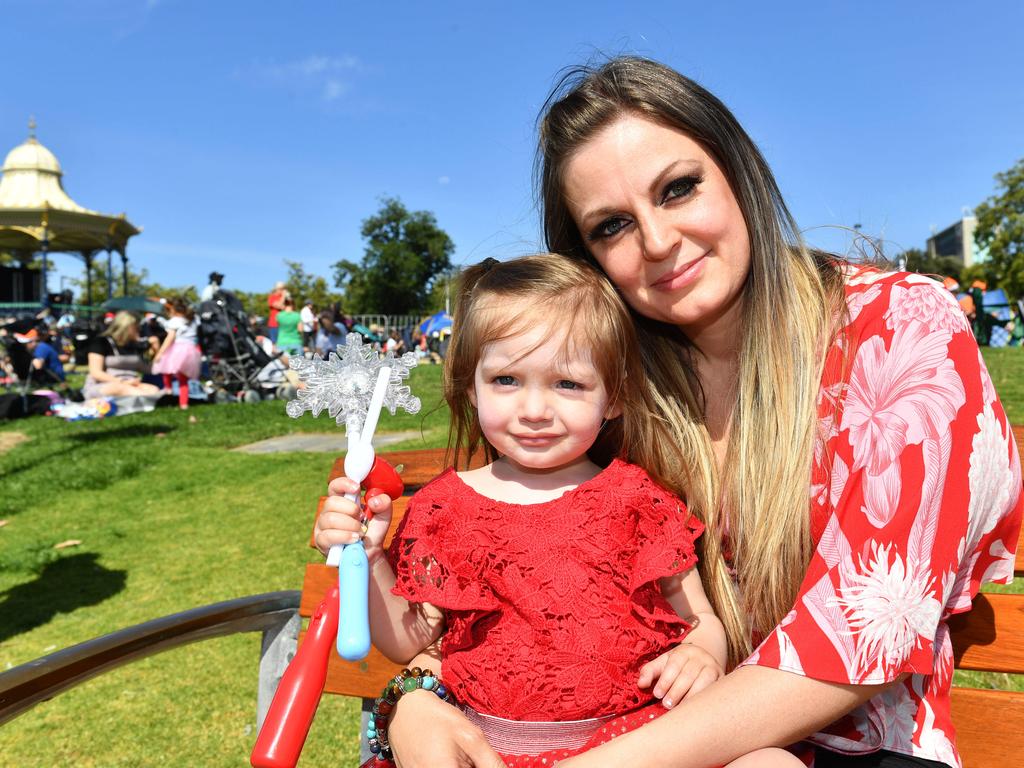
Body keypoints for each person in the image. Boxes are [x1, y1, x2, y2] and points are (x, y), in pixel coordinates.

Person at [321, 57, 1023, 768]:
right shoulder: (614, 387)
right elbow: (514, 620)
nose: (657, 243)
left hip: (841, 748)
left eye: (679, 188)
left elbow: (858, 632)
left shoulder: (899, 330)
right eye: (612, 226)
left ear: (738, 171)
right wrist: (412, 701)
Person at [318, 254, 803, 768]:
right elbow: (409, 640)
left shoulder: (638, 498)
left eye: (568, 384)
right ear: (471, 386)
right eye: (506, 380)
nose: (533, 410)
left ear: (613, 397)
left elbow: (697, 616)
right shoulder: (445, 507)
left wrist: (702, 652)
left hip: (634, 742)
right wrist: (369, 557)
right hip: (486, 749)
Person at [83, 311, 161, 399]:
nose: (139, 329)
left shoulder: (133, 345)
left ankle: (146, 399)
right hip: (105, 384)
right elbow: (96, 373)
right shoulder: (101, 342)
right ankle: (146, 399)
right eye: (136, 327)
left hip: (131, 384)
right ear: (126, 327)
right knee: (124, 389)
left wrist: (157, 352)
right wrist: (122, 382)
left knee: (153, 390)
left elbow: (148, 369)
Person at [151, 296, 202, 410]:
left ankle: (168, 391)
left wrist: (160, 353)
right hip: (192, 350)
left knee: (167, 369)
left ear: (173, 310)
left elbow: (170, 338)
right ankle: (183, 404)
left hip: (178, 349)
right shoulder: (193, 319)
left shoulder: (175, 321)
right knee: (183, 380)